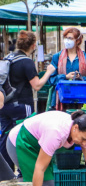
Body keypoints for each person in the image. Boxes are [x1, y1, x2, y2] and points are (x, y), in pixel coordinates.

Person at [0, 31, 56, 177]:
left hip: (5, 104)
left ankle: (5, 172)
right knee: (22, 136)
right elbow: (37, 85)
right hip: (22, 105)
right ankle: (22, 171)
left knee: (5, 137)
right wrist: (48, 72)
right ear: (32, 46)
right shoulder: (26, 62)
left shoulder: (8, 58)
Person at [48, 27, 86, 110]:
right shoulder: (57, 57)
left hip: (81, 98)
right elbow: (51, 80)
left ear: (78, 40)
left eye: (70, 38)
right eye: (65, 38)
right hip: (61, 99)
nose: (67, 41)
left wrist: (81, 78)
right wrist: (65, 77)